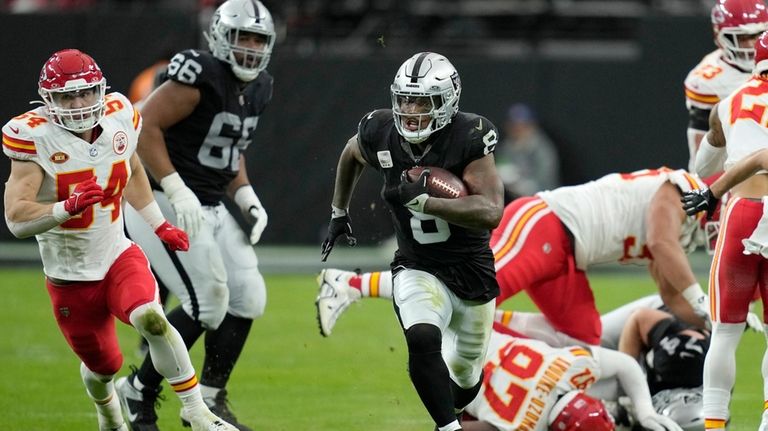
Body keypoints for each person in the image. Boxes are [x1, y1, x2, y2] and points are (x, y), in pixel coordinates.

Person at [1, 49, 236, 431]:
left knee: (152, 318)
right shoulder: (32, 137)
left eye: (86, 93)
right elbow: (16, 220)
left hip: (117, 256)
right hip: (70, 279)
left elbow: (129, 167)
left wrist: (158, 224)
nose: (79, 104)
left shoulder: (118, 114)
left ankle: (197, 411)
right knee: (103, 368)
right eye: (66, 97)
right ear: (48, 101)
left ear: (100, 90)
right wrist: (66, 207)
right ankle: (109, 410)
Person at [317, 167, 714, 346]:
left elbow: (673, 295)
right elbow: (663, 246)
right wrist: (703, 299)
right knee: (467, 291)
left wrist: (718, 323)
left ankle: (492, 325)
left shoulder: (684, 226)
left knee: (583, 338)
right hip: (546, 226)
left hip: (568, 258)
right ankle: (348, 282)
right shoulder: (681, 188)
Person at [320, 51, 505, 431]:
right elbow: (351, 153)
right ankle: (448, 428)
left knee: (465, 381)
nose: (411, 109)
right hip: (417, 263)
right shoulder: (380, 130)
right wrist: (339, 210)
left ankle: (451, 410)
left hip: (471, 269)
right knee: (422, 335)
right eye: (404, 98)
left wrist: (430, 203)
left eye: (422, 101)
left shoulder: (468, 136)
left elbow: (491, 211)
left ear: (448, 101)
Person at [118, 1, 275, 430]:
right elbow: (143, 127)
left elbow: (230, 148)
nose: (250, 48)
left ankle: (208, 399)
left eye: (258, 39)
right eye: (243, 37)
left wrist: (245, 196)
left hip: (208, 203)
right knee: (206, 303)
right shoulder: (198, 73)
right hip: (159, 199)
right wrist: (174, 186)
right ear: (221, 37)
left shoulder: (259, 86)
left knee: (249, 296)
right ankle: (138, 391)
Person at [680, 30, 768, 431]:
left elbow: (702, 165)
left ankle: (714, 424)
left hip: (741, 212)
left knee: (725, 331)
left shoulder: (728, 102)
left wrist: (714, 188)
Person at [459, 323, 682, 431]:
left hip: (479, 331)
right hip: (447, 366)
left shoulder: (573, 367)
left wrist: (645, 412)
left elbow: (626, 364)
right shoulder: (523, 427)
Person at [683, 0, 768, 173]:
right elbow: (704, 159)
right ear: (721, 36)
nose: (753, 44)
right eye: (743, 37)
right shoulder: (707, 80)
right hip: (737, 168)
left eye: (758, 34)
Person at [494, 103, 560, 200]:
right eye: (513, 126)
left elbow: (545, 181)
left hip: (542, 200)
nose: (517, 129)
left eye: (522, 125)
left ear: (532, 126)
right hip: (514, 199)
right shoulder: (506, 146)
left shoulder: (541, 148)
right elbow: (502, 168)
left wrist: (520, 184)